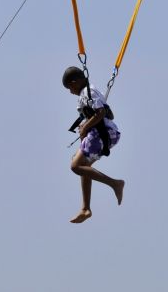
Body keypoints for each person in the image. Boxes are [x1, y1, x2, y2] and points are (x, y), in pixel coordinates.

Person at [62, 66, 125, 223]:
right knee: (82, 167)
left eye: (70, 88)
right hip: (98, 133)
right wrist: (84, 125)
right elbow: (94, 114)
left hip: (105, 133)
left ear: (75, 82)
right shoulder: (85, 94)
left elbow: (101, 113)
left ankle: (115, 184)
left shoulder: (89, 91)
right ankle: (85, 208)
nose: (70, 92)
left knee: (75, 166)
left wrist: (85, 126)